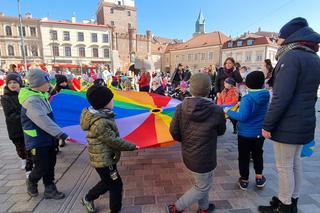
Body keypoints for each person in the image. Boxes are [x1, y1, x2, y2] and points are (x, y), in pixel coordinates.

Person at [258, 17, 320, 213]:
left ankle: (284, 207)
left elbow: (281, 96)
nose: (276, 42)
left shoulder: (291, 57)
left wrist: (267, 125)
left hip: (288, 123)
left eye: (279, 38)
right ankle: (291, 200)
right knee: (295, 164)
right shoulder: (313, 57)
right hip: (303, 120)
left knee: (284, 167)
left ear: (289, 39)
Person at [167, 73, 226, 213]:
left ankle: (203, 208)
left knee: (202, 183)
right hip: (206, 156)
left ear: (191, 88)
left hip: (189, 154)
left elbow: (174, 131)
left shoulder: (180, 108)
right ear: (208, 89)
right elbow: (221, 131)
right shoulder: (216, 110)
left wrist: (186, 140)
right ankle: (176, 207)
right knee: (203, 186)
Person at [80, 85, 138, 213]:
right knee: (116, 186)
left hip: (104, 157)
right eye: (111, 99)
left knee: (108, 182)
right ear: (104, 103)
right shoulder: (100, 122)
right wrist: (132, 146)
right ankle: (114, 210)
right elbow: (113, 141)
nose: (113, 102)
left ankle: (88, 197)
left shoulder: (100, 114)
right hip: (104, 160)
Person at [19, 69, 69, 199]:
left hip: (47, 137)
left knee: (51, 163)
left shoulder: (41, 95)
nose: (50, 84)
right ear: (38, 83)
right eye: (48, 82)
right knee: (41, 166)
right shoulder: (32, 100)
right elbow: (43, 120)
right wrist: (60, 133)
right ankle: (31, 180)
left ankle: (49, 188)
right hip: (37, 140)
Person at [225, 71, 270, 191]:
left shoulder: (247, 98)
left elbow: (242, 117)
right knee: (258, 154)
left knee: (244, 157)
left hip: (245, 134)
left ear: (248, 84)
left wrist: (228, 111)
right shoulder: (266, 95)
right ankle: (259, 178)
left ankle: (244, 180)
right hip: (259, 134)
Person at [1, 73, 33, 177]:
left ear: (20, 82)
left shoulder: (26, 93)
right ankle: (23, 159)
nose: (12, 84)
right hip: (14, 127)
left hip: (27, 127)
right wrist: (24, 118)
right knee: (20, 148)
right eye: (10, 83)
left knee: (29, 148)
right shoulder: (5, 97)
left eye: (15, 82)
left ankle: (29, 169)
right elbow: (9, 114)